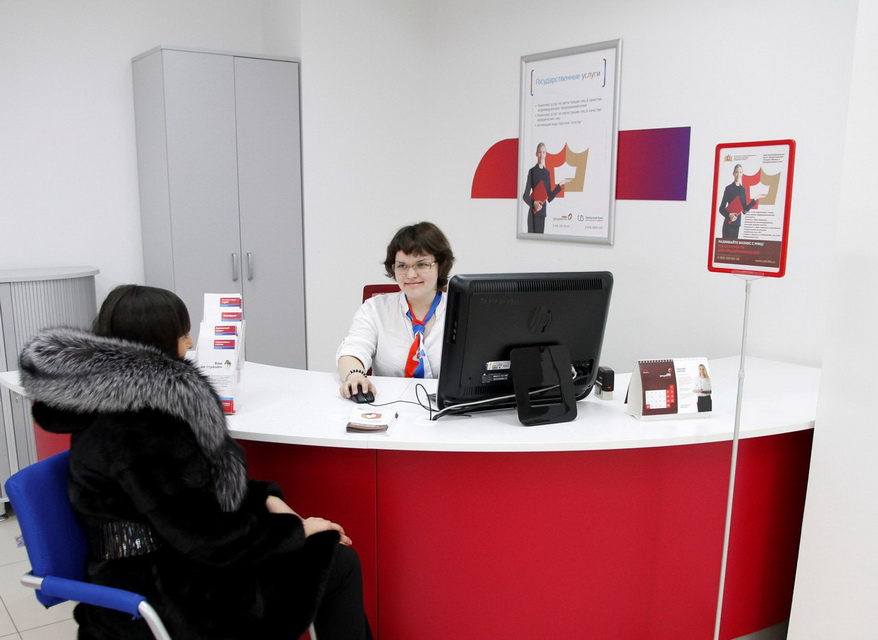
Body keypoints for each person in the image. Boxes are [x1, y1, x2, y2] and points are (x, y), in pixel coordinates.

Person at [19, 285, 373, 640]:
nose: (189, 344)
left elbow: (194, 492)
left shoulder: (119, 401)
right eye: (182, 334)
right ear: (155, 341)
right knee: (336, 561)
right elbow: (206, 536)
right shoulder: (136, 427)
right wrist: (297, 531)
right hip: (164, 587)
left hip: (167, 562)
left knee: (329, 556)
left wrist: (266, 499)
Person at [337, 221, 455, 399]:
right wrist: (355, 376)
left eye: (422, 264)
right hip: (389, 402)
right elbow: (353, 350)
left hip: (447, 406)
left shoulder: (462, 311)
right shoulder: (375, 308)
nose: (411, 275)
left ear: (440, 266)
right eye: (402, 266)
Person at [522, 142, 564, 234]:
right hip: (533, 214)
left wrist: (560, 185)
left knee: (540, 240)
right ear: (536, 154)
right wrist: (534, 203)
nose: (541, 155)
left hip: (542, 215)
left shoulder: (547, 173)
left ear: (546, 154)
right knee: (531, 240)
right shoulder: (532, 171)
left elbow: (549, 197)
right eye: (540, 152)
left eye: (543, 152)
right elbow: (525, 196)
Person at [718, 164, 758, 239]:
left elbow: (744, 210)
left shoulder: (743, 190)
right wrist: (729, 214)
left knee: (735, 246)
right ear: (733, 173)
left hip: (737, 225)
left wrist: (755, 200)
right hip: (728, 224)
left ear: (742, 174)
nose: (738, 174)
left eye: (740, 172)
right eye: (736, 172)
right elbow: (721, 209)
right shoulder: (729, 188)